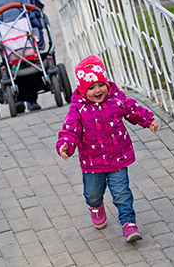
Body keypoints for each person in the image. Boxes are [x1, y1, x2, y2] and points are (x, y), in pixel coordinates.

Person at [56, 55, 159, 242]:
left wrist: (147, 119)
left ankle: (129, 223)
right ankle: (96, 207)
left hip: (117, 158)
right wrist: (66, 145)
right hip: (92, 162)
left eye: (101, 85)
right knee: (93, 194)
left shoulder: (117, 99)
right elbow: (70, 130)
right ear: (81, 89)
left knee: (122, 192)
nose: (98, 90)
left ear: (107, 83)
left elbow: (133, 109)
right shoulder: (78, 109)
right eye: (91, 87)